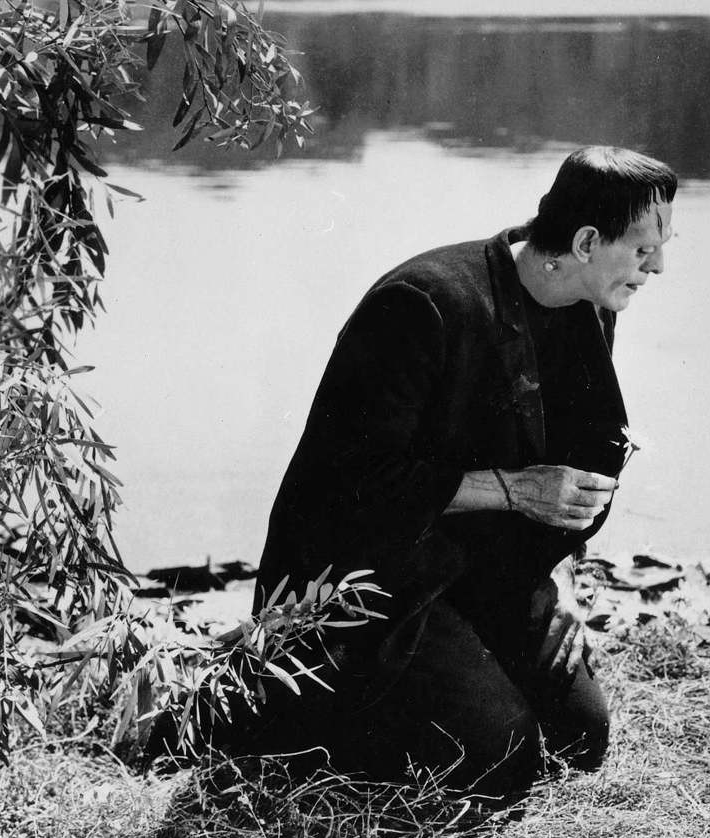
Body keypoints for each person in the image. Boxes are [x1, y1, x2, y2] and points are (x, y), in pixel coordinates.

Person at [230, 147, 678, 796]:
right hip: (365, 577)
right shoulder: (421, 303)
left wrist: (559, 582)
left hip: (483, 567)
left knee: (581, 735)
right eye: (644, 250)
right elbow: (352, 484)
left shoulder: (592, 301)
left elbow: (570, 465)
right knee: (500, 755)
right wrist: (515, 491)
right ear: (585, 242)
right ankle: (281, 696)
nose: (659, 267)